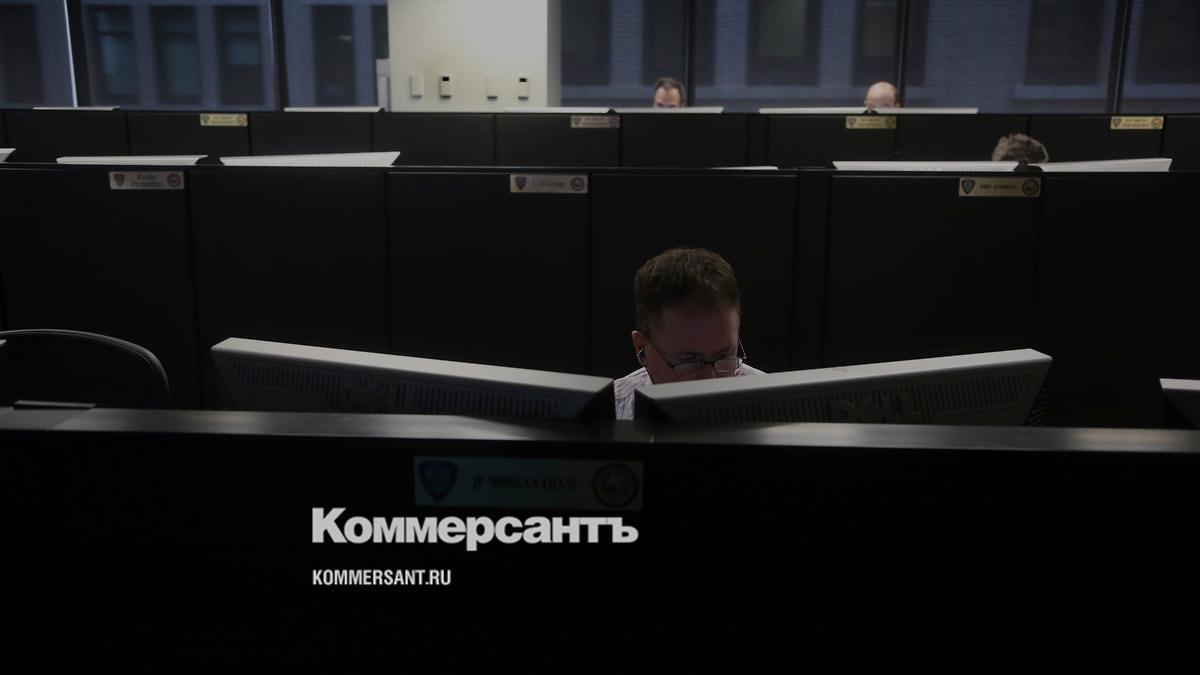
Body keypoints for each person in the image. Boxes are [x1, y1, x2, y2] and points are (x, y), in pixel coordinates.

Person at [614, 247, 764, 420]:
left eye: (724, 356)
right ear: (642, 348)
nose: (710, 381)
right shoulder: (611, 412)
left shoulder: (772, 408)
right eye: (690, 361)